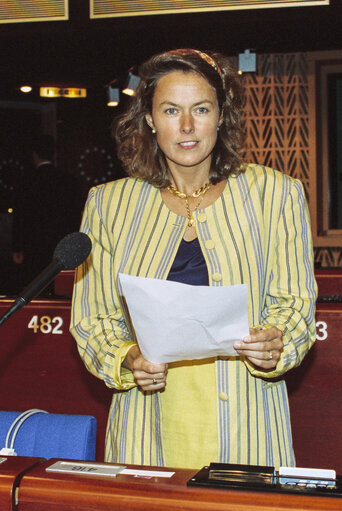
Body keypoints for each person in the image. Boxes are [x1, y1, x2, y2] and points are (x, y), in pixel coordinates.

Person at [70, 49, 317, 470]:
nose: (186, 127)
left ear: (221, 115)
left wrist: (277, 340)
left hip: (247, 423)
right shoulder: (108, 204)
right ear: (149, 118)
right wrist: (128, 358)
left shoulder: (277, 195)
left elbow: (295, 306)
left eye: (201, 109)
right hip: (144, 428)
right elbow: (93, 318)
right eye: (170, 110)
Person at [12, 134, 82, 292]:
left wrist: (17, 247)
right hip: (61, 244)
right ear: (54, 154)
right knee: (60, 289)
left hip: (33, 245)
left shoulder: (26, 181)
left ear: (34, 155)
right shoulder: (69, 181)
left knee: (35, 288)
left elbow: (19, 217)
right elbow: (76, 215)